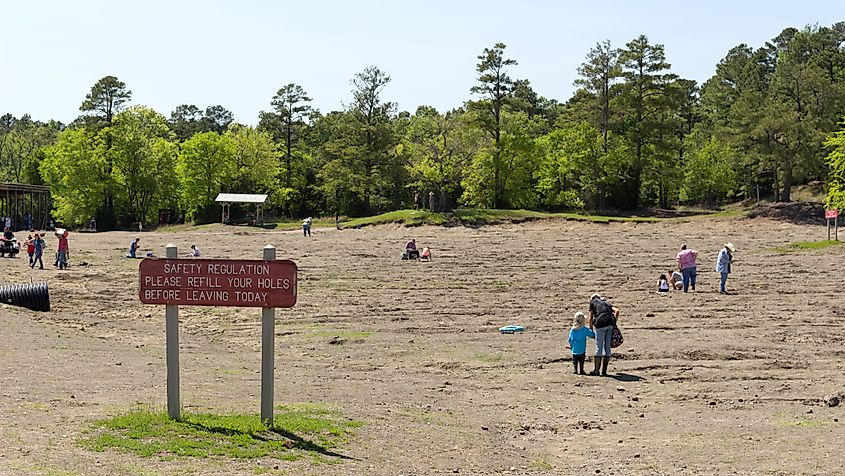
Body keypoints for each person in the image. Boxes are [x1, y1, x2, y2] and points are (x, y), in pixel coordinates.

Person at [588, 293, 620, 376]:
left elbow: (590, 318)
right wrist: (614, 322)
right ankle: (604, 371)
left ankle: (596, 370)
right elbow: (617, 311)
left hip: (600, 324)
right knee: (607, 347)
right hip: (610, 324)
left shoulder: (592, 303)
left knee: (599, 346)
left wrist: (591, 329)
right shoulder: (607, 303)